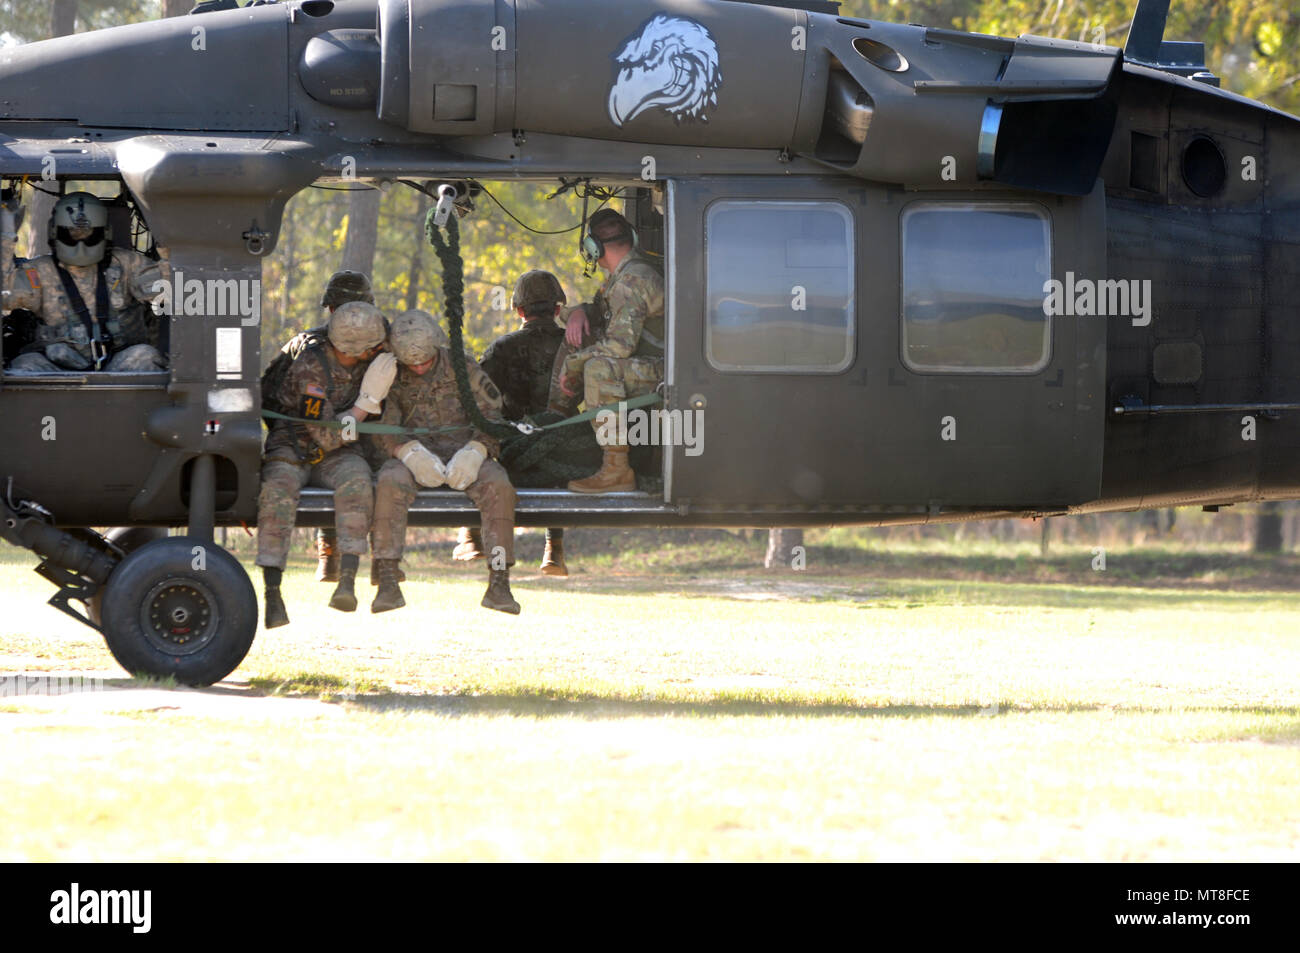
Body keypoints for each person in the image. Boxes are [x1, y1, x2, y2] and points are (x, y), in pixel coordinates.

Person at [256, 301, 396, 628]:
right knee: (278, 492)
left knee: (358, 481)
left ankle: (347, 580)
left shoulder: (370, 362)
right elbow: (326, 435)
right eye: (374, 346)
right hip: (294, 445)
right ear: (358, 348)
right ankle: (272, 592)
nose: (379, 350)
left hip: (339, 451)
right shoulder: (310, 367)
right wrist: (365, 404)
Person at [371, 310, 520, 614]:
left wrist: (478, 449)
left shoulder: (463, 368)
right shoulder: (389, 372)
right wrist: (406, 452)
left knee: (499, 486)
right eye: (413, 364)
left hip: (465, 450)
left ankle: (500, 582)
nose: (420, 368)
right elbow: (383, 427)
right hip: (414, 454)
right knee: (389, 482)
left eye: (425, 361)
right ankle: (387, 578)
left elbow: (493, 417)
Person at [462, 270, 573, 576]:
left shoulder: (502, 348)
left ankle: (472, 535)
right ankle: (554, 547)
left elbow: (476, 401)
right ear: (557, 309)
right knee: (562, 443)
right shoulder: (574, 347)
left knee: (473, 444)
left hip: (513, 452)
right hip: (563, 453)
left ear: (520, 310)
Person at [559, 209, 665, 493]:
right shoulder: (626, 276)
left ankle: (616, 469)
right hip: (656, 365)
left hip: (667, 372)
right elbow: (604, 311)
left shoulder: (632, 281)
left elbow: (619, 347)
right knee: (592, 360)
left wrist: (574, 364)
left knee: (598, 369)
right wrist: (578, 312)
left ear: (594, 248)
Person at [2, 192, 166, 373]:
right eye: (71, 234)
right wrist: (6, 237)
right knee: (24, 365)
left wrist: (168, 248)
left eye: (89, 234)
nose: (80, 244)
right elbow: (6, 296)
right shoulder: (39, 270)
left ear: (105, 233)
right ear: (54, 232)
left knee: (145, 356)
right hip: (57, 365)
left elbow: (169, 293)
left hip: (118, 364)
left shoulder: (128, 263)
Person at [312, 270, 377, 584]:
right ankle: (330, 549)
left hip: (371, 445)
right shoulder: (309, 347)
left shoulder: (385, 346)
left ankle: (382, 560)